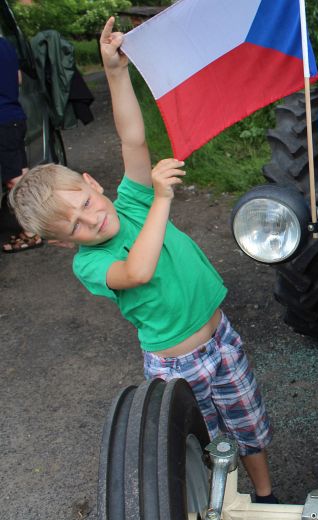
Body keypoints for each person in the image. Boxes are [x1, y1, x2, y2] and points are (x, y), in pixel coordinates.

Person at [8, 18, 277, 503]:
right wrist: (161, 201)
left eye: (86, 204)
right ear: (65, 245)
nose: (90, 222)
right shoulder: (90, 263)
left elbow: (132, 139)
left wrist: (115, 73)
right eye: (74, 228)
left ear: (92, 183)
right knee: (199, 445)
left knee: (249, 422)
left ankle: (266, 493)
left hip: (221, 336)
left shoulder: (127, 201)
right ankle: (218, 506)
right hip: (176, 364)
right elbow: (139, 271)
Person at [0, 35, 41, 253]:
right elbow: (18, 79)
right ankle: (35, 225)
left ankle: (33, 233)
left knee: (14, 179)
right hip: (14, 117)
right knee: (21, 175)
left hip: (3, 121)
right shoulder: (6, 43)